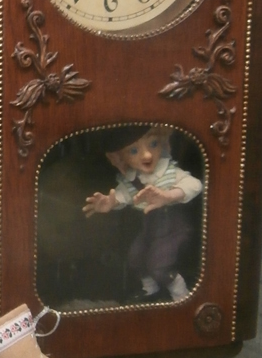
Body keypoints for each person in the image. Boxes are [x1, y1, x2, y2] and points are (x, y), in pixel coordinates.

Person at [82, 126, 202, 302]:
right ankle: (150, 289)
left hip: (174, 230)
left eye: (153, 144)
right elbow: (123, 196)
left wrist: (169, 196)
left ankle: (181, 295)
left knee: (159, 265)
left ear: (163, 143)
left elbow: (195, 185)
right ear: (120, 158)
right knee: (135, 257)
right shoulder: (132, 179)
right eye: (134, 151)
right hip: (150, 230)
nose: (147, 155)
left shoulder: (169, 171)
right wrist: (110, 202)